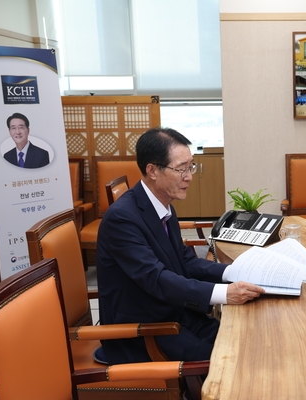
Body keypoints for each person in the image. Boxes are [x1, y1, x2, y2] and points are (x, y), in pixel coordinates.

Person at [96, 127, 265, 364]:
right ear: (152, 170)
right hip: (144, 331)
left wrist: (236, 271)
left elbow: (183, 259)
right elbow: (157, 278)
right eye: (181, 169)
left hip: (175, 314)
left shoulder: (163, 205)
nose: (189, 176)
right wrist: (225, 293)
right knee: (229, 362)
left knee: (248, 342)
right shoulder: (121, 219)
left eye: (191, 166)